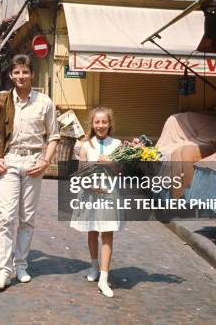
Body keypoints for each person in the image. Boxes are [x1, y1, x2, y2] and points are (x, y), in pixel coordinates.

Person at [0, 54, 60, 291]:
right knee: (6, 216)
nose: (20, 76)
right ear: (10, 75)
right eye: (16, 72)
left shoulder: (45, 102)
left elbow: (54, 136)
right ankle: (3, 271)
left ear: (32, 74)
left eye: (25, 72)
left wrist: (46, 161)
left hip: (35, 161)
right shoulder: (1, 100)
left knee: (27, 218)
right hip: (10, 160)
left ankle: (21, 264)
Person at [70, 107, 121, 298]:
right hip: (90, 194)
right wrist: (90, 186)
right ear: (92, 124)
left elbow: (122, 172)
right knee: (92, 231)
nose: (101, 126)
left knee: (107, 233)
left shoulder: (117, 145)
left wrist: (111, 164)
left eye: (104, 122)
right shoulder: (85, 146)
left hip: (109, 193)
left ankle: (104, 277)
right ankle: (94, 266)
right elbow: (80, 173)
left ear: (109, 124)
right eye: (97, 122)